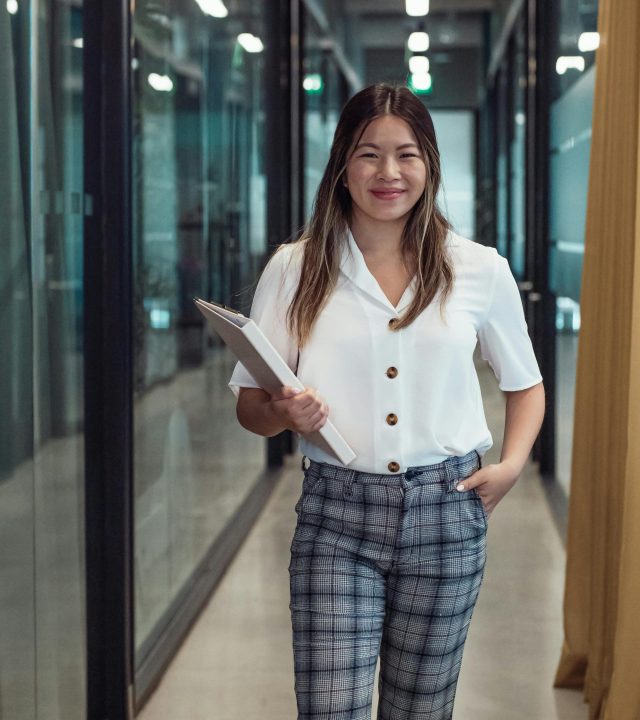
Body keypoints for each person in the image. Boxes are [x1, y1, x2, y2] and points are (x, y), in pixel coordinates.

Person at [228, 83, 545, 720]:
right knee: (330, 707)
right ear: (342, 165)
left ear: (429, 164)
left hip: (446, 516)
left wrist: (510, 466)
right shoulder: (295, 268)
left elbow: (525, 383)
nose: (388, 173)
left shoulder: (479, 268)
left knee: (421, 710)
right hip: (335, 517)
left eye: (406, 155)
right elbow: (250, 406)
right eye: (369, 154)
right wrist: (284, 414)